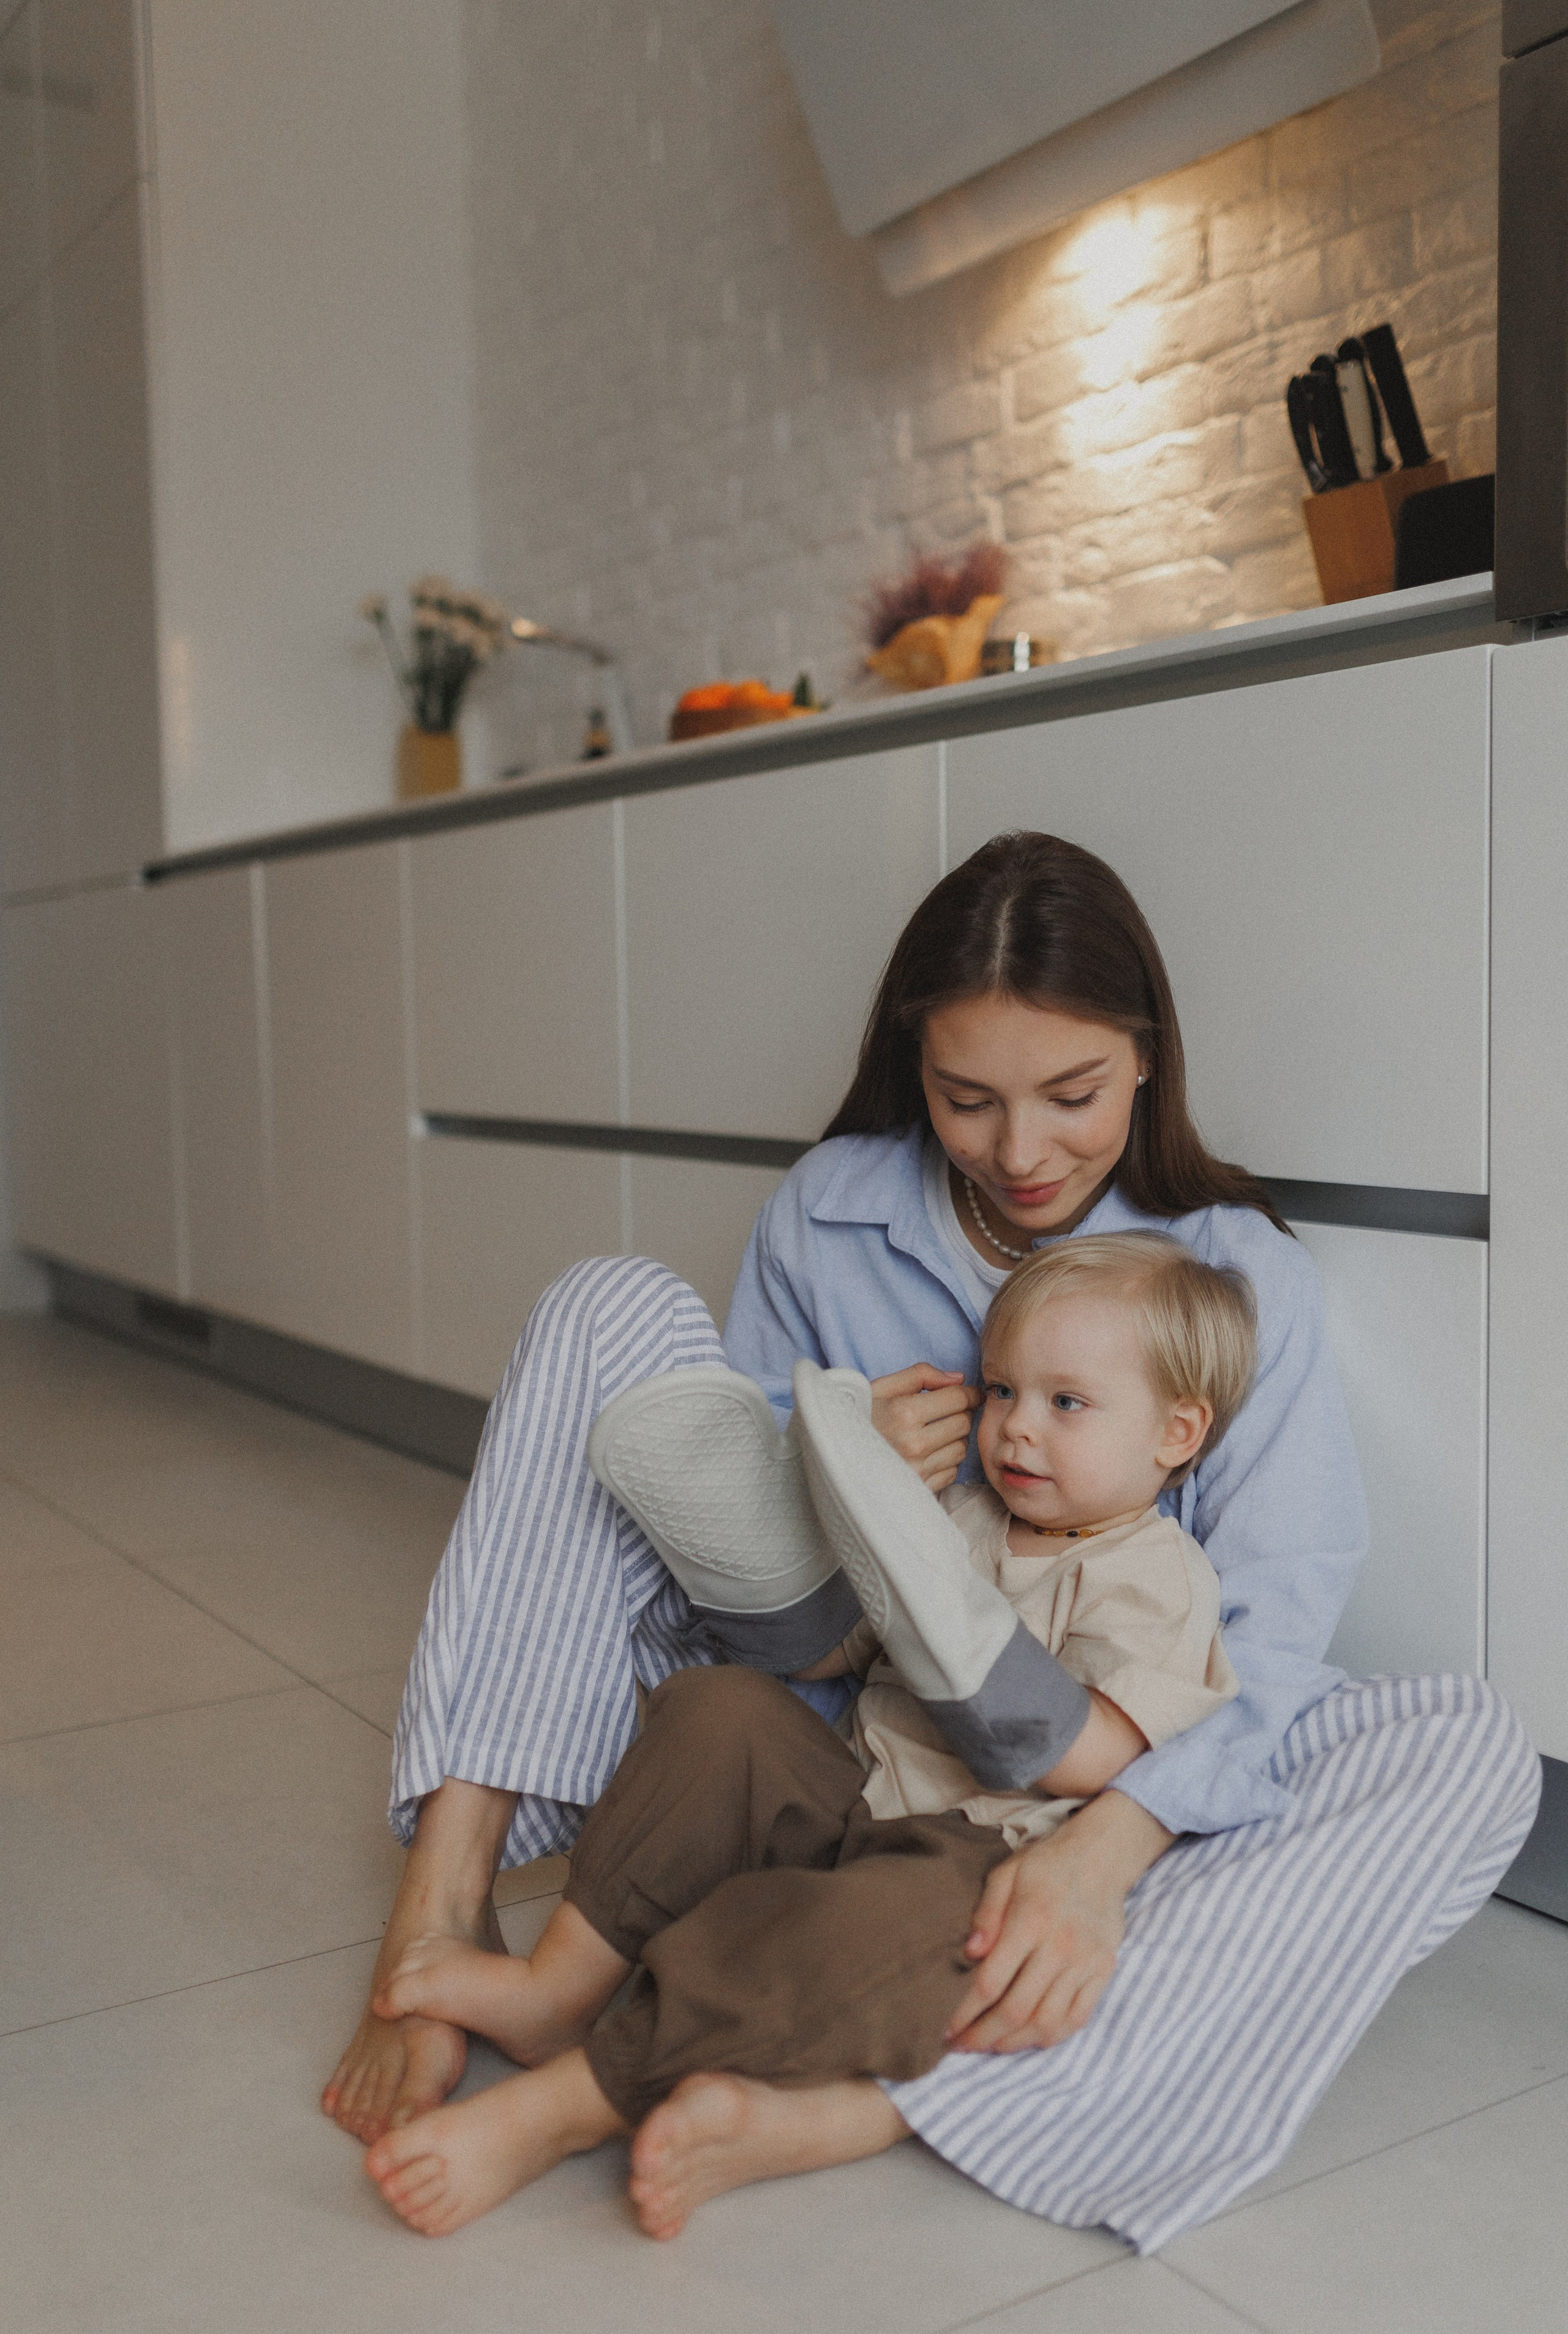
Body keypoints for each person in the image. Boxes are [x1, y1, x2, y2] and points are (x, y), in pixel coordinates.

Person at [323, 830, 1540, 2255]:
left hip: (1049, 1810)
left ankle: (874, 2100)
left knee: (1464, 1750)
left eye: (1071, 1094)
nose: (1020, 1153)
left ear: (1145, 1057)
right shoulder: (827, 1209)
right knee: (603, 1306)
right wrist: (819, 1472)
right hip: (805, 1727)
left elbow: (1268, 1631)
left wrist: (1101, 1856)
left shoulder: (1230, 1278)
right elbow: (743, 1582)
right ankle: (445, 1916)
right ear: (915, 1072)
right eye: (966, 1101)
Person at [360, 1233, 1253, 2238]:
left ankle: (569, 2106)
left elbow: (1093, 1755)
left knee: (864, 1936)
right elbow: (833, 1655)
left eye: (1066, 1404)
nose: (1016, 1432)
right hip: (854, 1794)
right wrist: (826, 1513)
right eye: (1001, 1393)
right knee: (719, 1709)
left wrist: (962, 1633)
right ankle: (558, 1987)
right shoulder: (966, 1513)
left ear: (1177, 1433)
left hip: (971, 1857)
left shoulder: (1158, 1578)